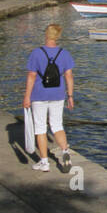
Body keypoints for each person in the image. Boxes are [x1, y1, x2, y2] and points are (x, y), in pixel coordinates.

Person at [22, 23, 75, 172]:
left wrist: (27, 96)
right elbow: (69, 76)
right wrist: (70, 96)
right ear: (58, 36)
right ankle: (65, 152)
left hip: (39, 94)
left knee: (40, 128)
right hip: (58, 94)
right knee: (57, 125)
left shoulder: (36, 53)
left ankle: (44, 162)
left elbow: (32, 76)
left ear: (46, 35)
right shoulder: (64, 53)